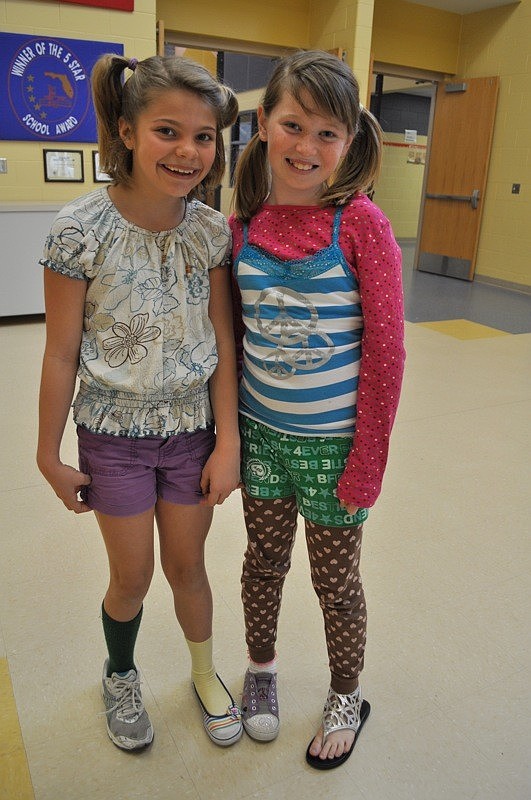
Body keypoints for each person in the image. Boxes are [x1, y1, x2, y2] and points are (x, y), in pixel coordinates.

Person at [36, 53, 243, 751]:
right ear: (125, 131)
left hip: (191, 433)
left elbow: (221, 339)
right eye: (167, 131)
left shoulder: (212, 233)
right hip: (112, 437)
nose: (187, 151)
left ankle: (205, 672)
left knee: (189, 569)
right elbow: (61, 351)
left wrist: (227, 442)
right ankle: (119, 672)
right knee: (133, 576)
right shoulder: (78, 230)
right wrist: (47, 452)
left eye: (204, 137)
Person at [229, 50, 406, 769]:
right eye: (292, 124)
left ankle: (344, 692)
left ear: (349, 140)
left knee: (334, 583)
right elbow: (231, 341)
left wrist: (367, 461)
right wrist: (228, 442)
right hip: (260, 437)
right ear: (265, 122)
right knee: (262, 562)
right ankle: (262, 670)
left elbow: (387, 355)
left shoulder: (361, 225)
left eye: (326, 133)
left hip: (334, 449)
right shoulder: (241, 223)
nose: (306, 147)